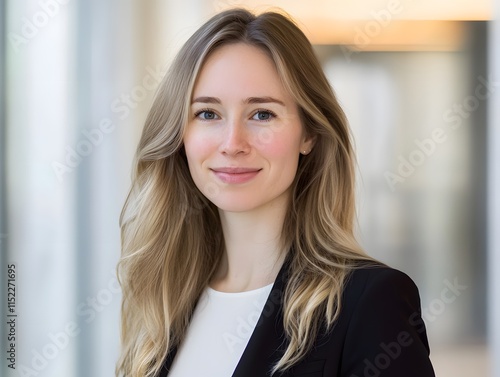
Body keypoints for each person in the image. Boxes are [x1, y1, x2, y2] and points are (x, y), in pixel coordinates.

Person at [116, 8, 435, 377]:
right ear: (179, 135)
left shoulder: (370, 303)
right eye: (207, 114)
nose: (232, 143)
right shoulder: (163, 304)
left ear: (309, 133)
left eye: (262, 114)